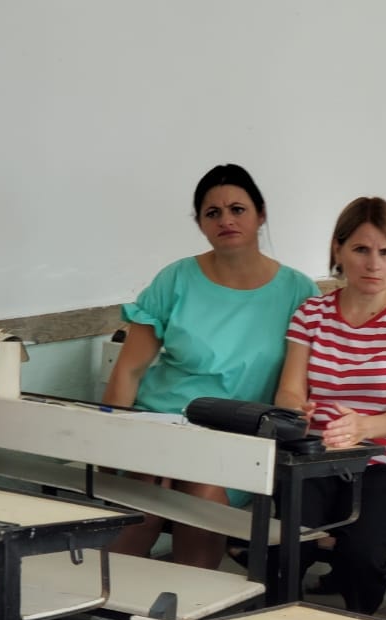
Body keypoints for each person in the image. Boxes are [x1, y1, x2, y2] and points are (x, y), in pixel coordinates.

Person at [103, 163, 320, 569]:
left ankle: (190, 613)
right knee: (145, 487)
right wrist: (109, 439)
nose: (226, 220)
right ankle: (105, 609)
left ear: (261, 214)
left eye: (238, 209)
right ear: (201, 223)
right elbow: (129, 371)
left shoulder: (298, 291)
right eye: (212, 212)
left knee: (200, 490)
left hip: (237, 441)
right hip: (160, 425)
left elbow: (299, 383)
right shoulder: (176, 279)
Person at [274, 197, 386, 616]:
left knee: (360, 553)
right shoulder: (311, 314)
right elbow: (289, 391)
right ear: (338, 250)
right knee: (288, 543)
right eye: (361, 250)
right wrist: (298, 411)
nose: (373, 263)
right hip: (318, 460)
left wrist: (363, 426)